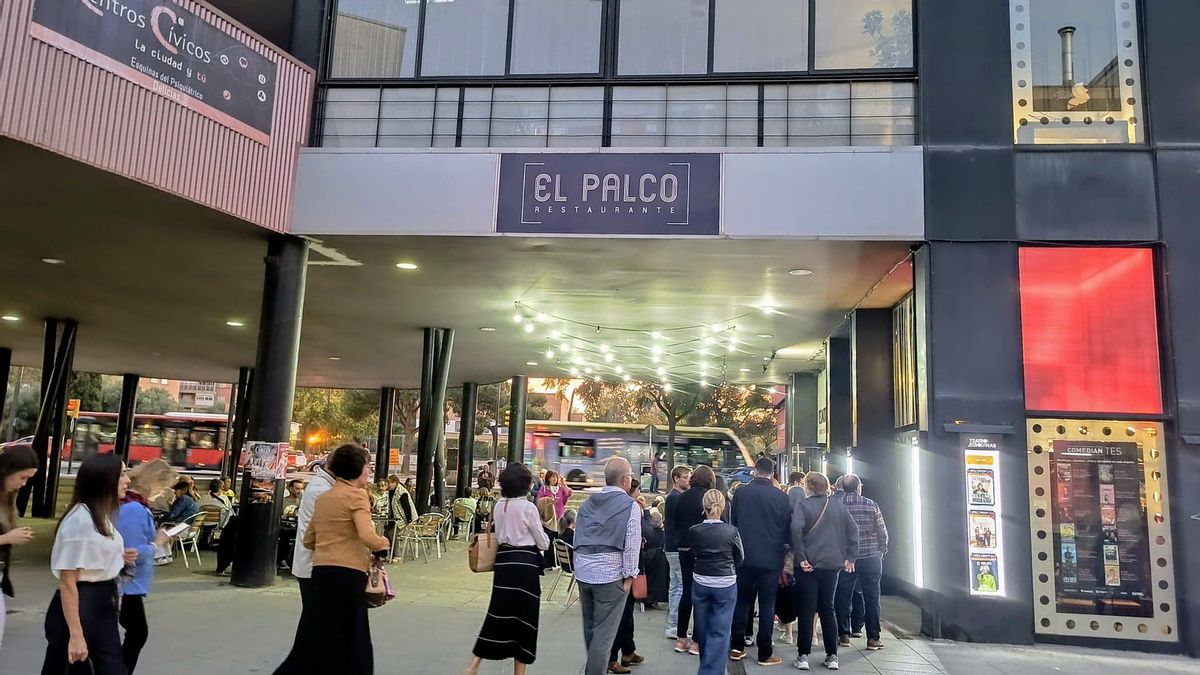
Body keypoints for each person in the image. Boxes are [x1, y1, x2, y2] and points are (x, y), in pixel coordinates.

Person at [275, 444, 391, 675]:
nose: (369, 471)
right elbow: (367, 535)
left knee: (315, 636)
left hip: (321, 573)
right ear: (357, 469)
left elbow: (309, 540)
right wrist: (384, 544)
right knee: (355, 637)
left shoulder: (324, 497)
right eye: (367, 466)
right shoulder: (357, 496)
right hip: (348, 575)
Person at [42, 453, 136, 675]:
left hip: (99, 603)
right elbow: (68, 582)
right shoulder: (81, 521)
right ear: (105, 479)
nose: (128, 480)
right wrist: (76, 635)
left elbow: (88, 561)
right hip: (84, 605)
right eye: (122, 473)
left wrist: (117, 558)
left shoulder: (97, 516)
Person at [464, 463, 550, 675]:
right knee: (524, 619)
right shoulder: (527, 507)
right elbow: (543, 543)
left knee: (497, 613)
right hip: (525, 565)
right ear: (525, 485)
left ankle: (474, 665)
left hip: (503, 562)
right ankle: (519, 673)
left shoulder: (499, 505)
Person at [573, 457, 641, 675]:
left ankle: (594, 667)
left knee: (590, 628)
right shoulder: (630, 506)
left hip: (584, 571)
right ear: (625, 480)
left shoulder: (587, 503)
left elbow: (577, 536)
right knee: (605, 633)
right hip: (611, 575)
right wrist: (630, 577)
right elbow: (632, 544)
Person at [790, 472, 859, 671]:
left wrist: (801, 558)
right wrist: (850, 557)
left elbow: (795, 530)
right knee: (828, 608)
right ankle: (832, 655)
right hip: (832, 565)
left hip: (808, 566)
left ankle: (803, 655)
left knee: (807, 610)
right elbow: (853, 531)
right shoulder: (838, 506)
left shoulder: (803, 506)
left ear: (808, 486)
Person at [729, 456, 792, 667]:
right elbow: (787, 530)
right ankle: (765, 652)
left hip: (744, 559)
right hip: (770, 561)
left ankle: (736, 647)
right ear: (773, 473)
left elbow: (733, 524)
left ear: (755, 471)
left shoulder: (741, 492)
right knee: (767, 605)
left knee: (741, 602)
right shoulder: (782, 498)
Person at [116, 464, 170, 673]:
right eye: (163, 487)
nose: (164, 492)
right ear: (153, 483)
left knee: (133, 632)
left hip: (127, 582)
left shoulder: (130, 504)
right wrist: (158, 542)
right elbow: (132, 551)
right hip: (128, 583)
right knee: (137, 633)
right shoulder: (135, 509)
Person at [689, 489, 743, 675]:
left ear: (704, 507)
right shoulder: (731, 531)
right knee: (720, 631)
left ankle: (707, 665)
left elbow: (693, 553)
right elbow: (740, 557)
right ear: (724, 506)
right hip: (725, 582)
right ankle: (712, 671)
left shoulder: (695, 531)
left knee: (702, 629)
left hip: (701, 580)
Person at [833, 475, 889, 651]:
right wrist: (882, 550)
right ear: (858, 488)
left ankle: (843, 634)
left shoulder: (838, 506)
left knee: (843, 596)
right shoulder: (871, 504)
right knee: (872, 598)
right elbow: (882, 532)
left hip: (846, 559)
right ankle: (873, 638)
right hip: (871, 557)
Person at [606, 480, 648, 674]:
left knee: (626, 614)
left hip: (619, 566)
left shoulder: (615, 507)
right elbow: (644, 534)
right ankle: (613, 657)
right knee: (621, 616)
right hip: (626, 569)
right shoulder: (632, 509)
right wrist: (645, 511)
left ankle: (628, 651)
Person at [0, 443, 38, 651]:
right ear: (7, 471)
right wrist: (7, 538)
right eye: (22, 477)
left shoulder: (8, 498)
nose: (24, 484)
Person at [672, 464, 713, 656]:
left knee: (686, 591)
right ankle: (696, 641)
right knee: (701, 594)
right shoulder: (707, 499)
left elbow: (674, 524)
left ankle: (680, 638)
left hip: (683, 548)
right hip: (702, 550)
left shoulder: (681, 498)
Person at [291, 459, 336, 605]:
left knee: (314, 617)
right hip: (314, 566)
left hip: (314, 565)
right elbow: (319, 533)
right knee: (316, 616)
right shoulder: (323, 491)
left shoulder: (322, 486)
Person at [662, 465, 691, 640]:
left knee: (675, 586)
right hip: (675, 547)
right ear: (676, 479)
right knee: (680, 586)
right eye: (686, 477)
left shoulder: (672, 497)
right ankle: (675, 625)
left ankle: (672, 624)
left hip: (670, 547)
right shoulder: (676, 498)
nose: (689, 480)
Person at [536, 469, 572, 567]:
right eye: (552, 477)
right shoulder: (544, 489)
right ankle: (549, 563)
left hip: (560, 518)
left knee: (560, 541)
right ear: (548, 478)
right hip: (549, 519)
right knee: (549, 541)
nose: (554, 479)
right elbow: (539, 501)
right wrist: (548, 501)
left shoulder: (560, 489)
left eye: (555, 477)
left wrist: (564, 484)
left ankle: (562, 563)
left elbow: (568, 494)